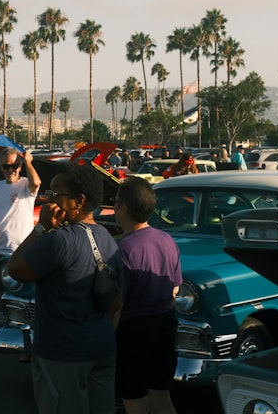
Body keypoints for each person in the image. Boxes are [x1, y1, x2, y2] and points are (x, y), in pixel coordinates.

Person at [7, 166, 122, 414]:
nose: (49, 200)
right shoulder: (108, 238)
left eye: (56, 194)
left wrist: (41, 228)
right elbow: (115, 304)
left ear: (78, 201)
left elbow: (14, 268)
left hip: (63, 353)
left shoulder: (58, 240)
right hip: (102, 348)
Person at [113, 177, 182, 414]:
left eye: (115, 203)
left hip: (134, 333)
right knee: (162, 400)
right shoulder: (167, 240)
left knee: (135, 401)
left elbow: (118, 303)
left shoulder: (123, 249)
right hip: (165, 326)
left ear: (123, 208)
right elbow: (175, 288)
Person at [0, 147, 41, 291]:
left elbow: (36, 183)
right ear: (1, 168)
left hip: (20, 251)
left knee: (23, 294)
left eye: (14, 166)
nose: (11, 170)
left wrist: (28, 162)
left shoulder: (25, 186)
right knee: (3, 292)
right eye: (6, 166)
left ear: (20, 167)